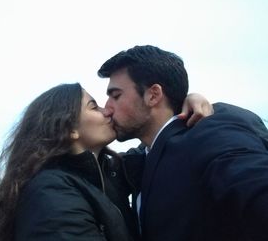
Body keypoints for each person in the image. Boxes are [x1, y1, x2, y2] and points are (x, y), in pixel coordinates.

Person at [0, 82, 212, 241]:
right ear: (69, 129)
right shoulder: (51, 193)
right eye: (93, 106)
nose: (108, 110)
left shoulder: (107, 173)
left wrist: (188, 101)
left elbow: (155, 146)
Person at [98, 45, 268, 241]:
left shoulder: (210, 135)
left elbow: (253, 184)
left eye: (116, 95)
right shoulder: (144, 158)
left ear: (153, 95)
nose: (107, 108)